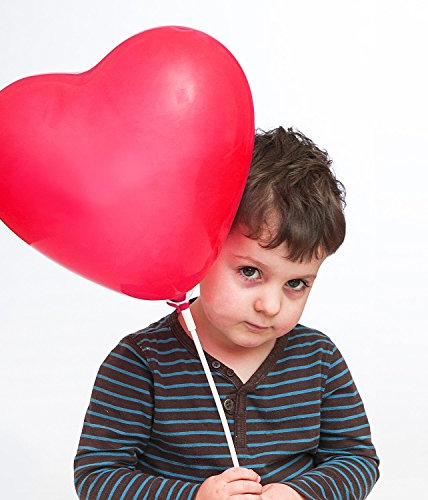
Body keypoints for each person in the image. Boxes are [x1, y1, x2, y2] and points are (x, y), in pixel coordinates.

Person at [73, 127, 380, 499]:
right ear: (200, 247)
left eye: (296, 284)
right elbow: (99, 476)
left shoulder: (319, 359)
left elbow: (355, 458)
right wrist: (195, 496)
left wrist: (301, 494)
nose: (271, 305)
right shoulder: (140, 363)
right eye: (250, 272)